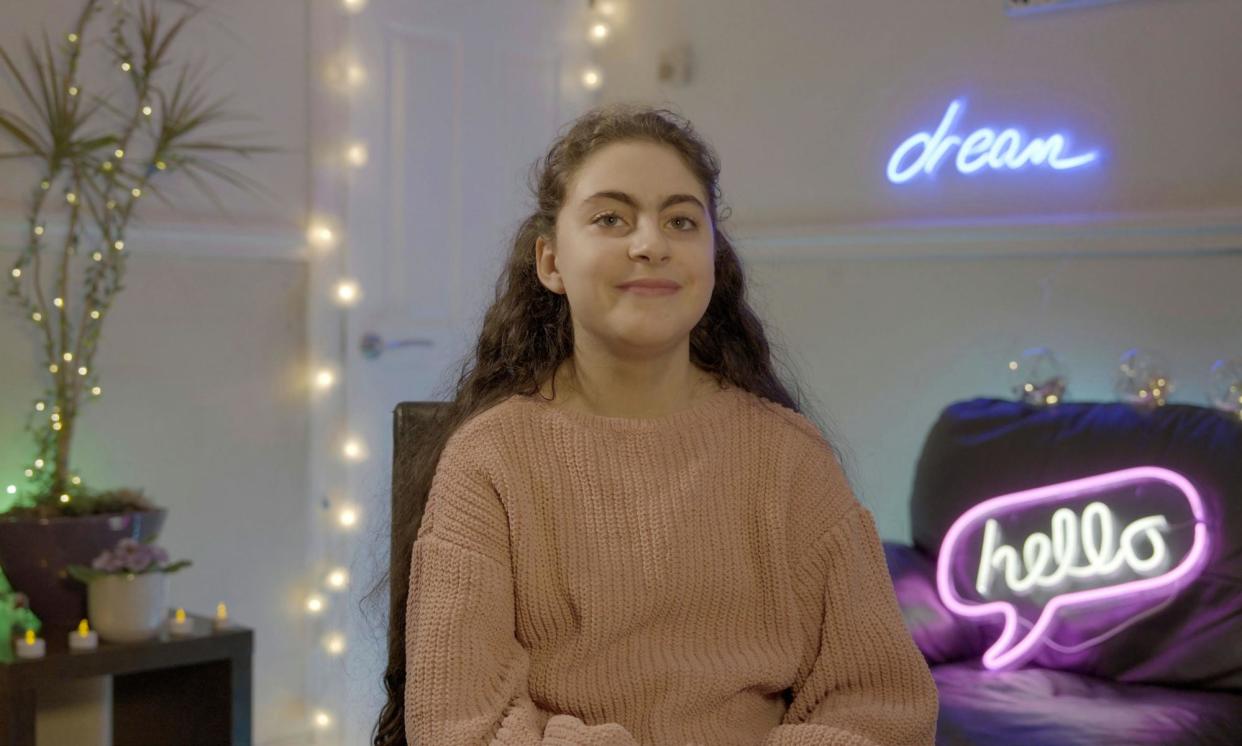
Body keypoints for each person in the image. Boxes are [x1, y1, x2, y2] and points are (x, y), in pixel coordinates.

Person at [371, 103, 939, 745]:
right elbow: (458, 725)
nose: (651, 243)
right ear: (551, 262)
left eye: (680, 220)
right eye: (611, 218)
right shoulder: (489, 462)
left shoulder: (791, 460)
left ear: (713, 260)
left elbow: (884, 711)